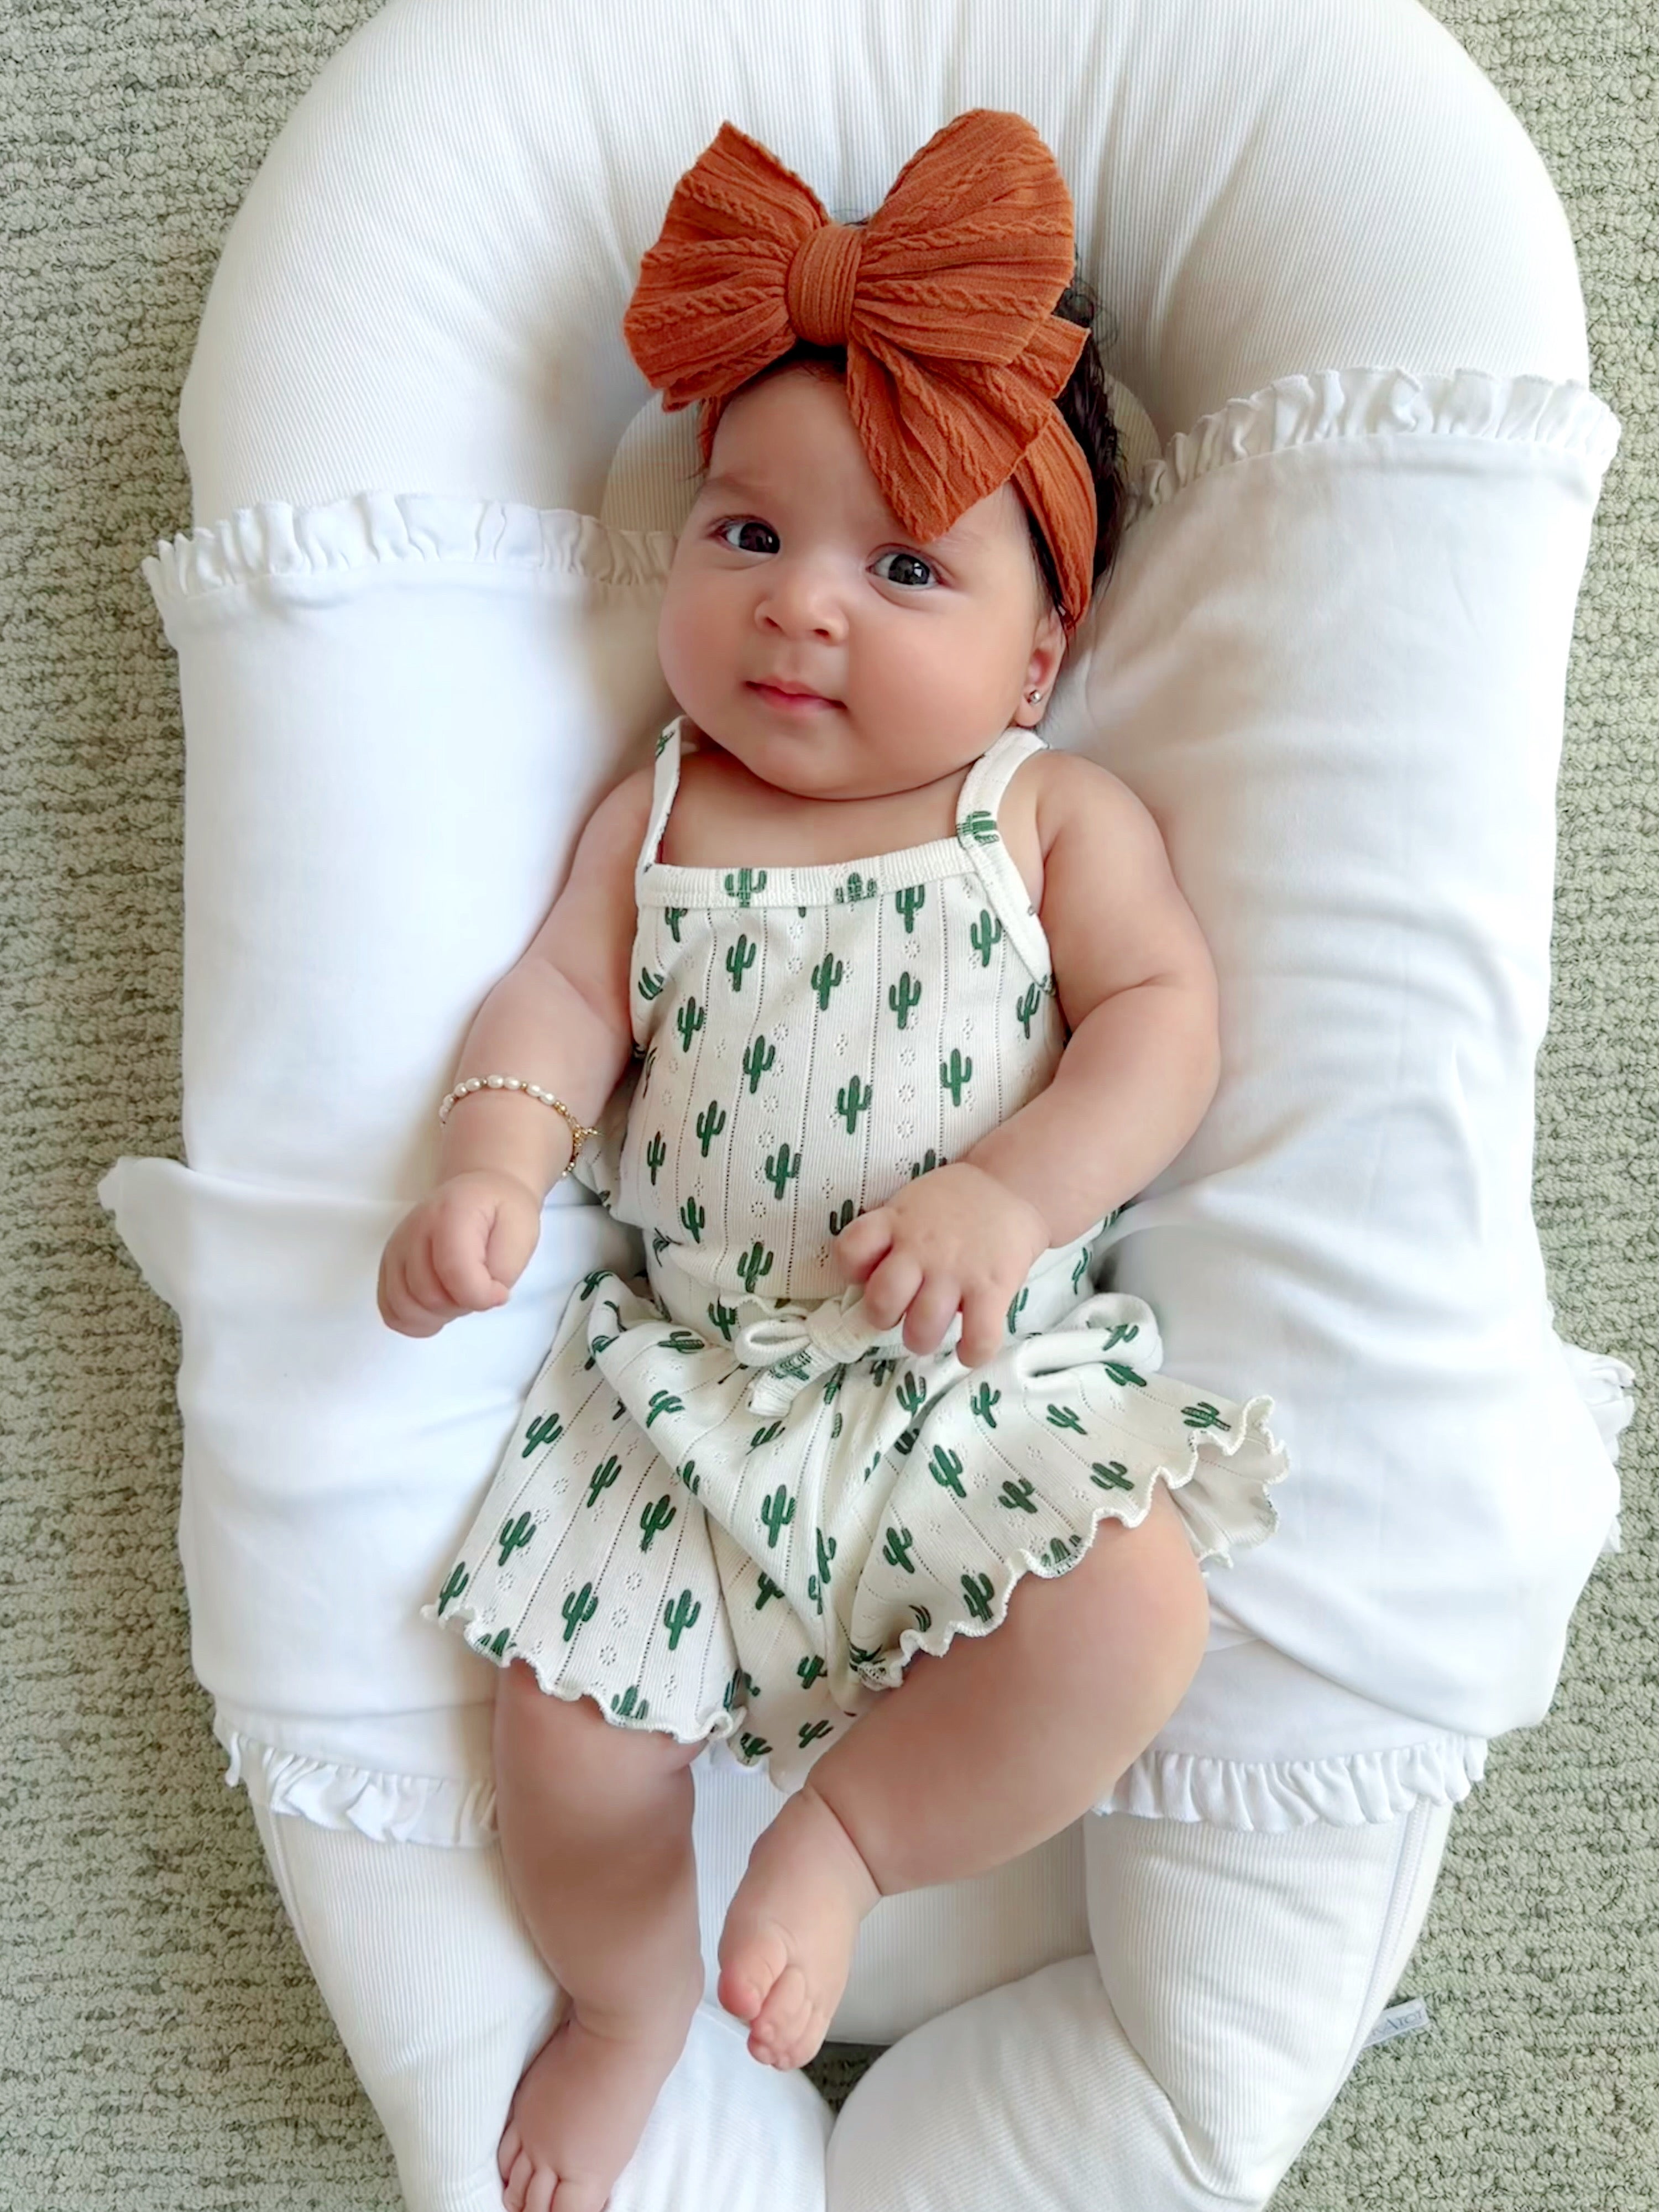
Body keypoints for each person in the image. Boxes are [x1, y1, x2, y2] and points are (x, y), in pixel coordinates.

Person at [378, 111, 1288, 2212]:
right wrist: (496, 1165)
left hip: (960, 1378)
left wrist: (1015, 1193)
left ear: (1037, 652)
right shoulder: (661, 807)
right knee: (563, 1739)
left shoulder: (1041, 818)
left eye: (902, 570)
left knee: (1129, 1607)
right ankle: (622, 1998)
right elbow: (549, 1002)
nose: (801, 613)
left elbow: (1164, 1026)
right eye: (744, 537)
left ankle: (854, 1835)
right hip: (680, 1403)